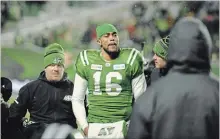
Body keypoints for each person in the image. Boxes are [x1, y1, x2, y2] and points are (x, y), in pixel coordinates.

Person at [126, 17, 219, 139]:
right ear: (206, 47)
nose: (154, 58)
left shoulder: (152, 96)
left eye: (158, 54)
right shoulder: (216, 91)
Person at [72, 23, 147, 138]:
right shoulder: (87, 60)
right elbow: (77, 98)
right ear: (99, 41)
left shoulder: (131, 58)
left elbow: (141, 99)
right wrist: (84, 127)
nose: (112, 38)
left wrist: (132, 126)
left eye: (114, 35)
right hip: (95, 126)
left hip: (123, 125)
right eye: (106, 36)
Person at [9, 43, 77, 139]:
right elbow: (14, 115)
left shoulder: (74, 89)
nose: (55, 69)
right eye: (52, 65)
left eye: (59, 65)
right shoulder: (30, 88)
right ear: (45, 67)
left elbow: (86, 114)